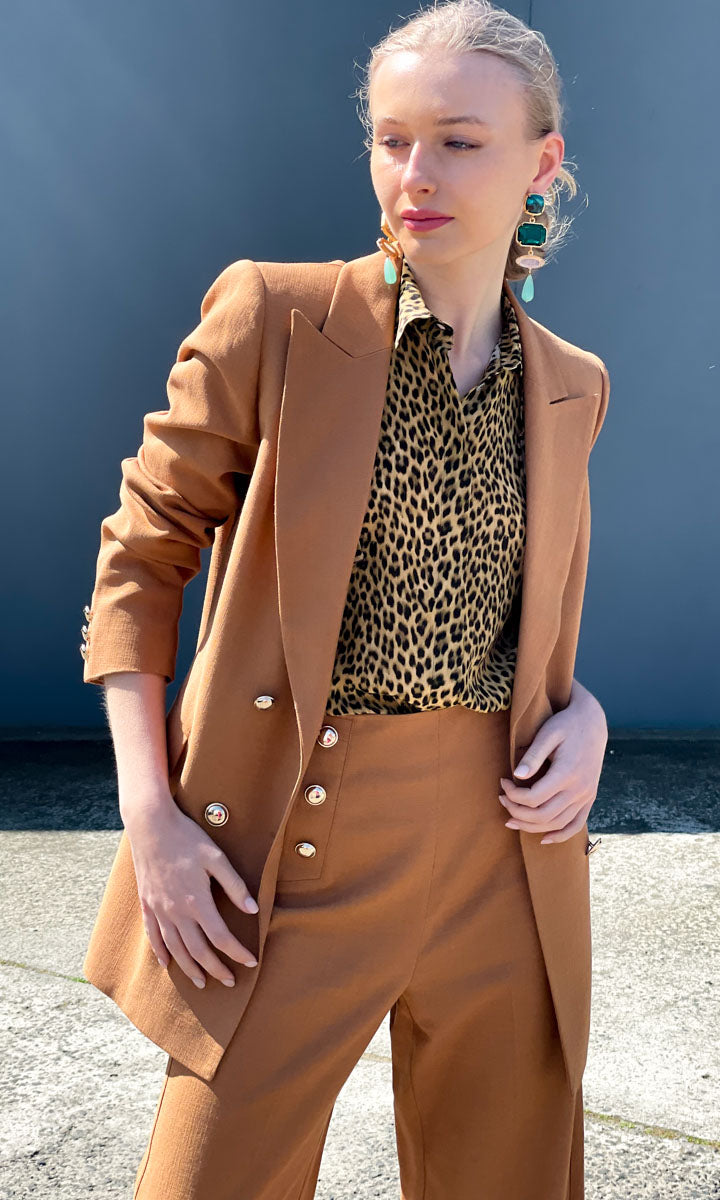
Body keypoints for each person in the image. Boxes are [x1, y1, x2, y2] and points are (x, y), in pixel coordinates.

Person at [79, 2, 611, 1196]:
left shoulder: (572, 385)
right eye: (392, 139)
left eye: (459, 142)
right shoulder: (277, 316)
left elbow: (530, 630)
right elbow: (140, 560)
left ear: (541, 162)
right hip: (293, 837)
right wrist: (152, 815)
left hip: (507, 852)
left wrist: (586, 719)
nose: (416, 173)